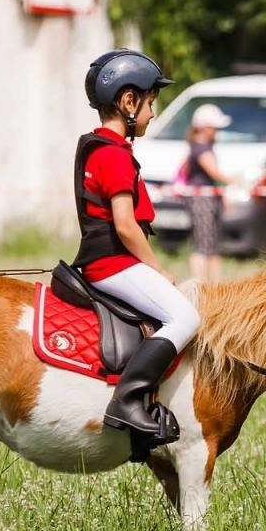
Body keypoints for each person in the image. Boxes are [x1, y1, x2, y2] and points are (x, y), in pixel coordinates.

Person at [72, 48, 199, 446]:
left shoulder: (96, 146)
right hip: (112, 264)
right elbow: (126, 226)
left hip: (105, 262)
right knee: (185, 318)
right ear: (128, 102)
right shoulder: (113, 156)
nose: (152, 113)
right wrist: (158, 269)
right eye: (150, 103)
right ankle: (128, 400)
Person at [184, 103, 234, 284]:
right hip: (202, 200)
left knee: (212, 246)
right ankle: (200, 284)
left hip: (207, 198)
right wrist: (235, 181)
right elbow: (214, 172)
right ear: (204, 127)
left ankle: (214, 284)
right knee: (203, 246)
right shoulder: (201, 148)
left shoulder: (201, 146)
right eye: (215, 127)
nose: (218, 131)